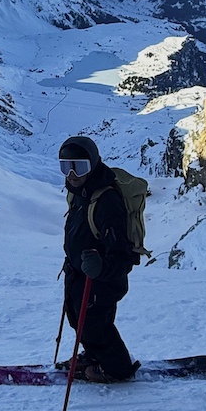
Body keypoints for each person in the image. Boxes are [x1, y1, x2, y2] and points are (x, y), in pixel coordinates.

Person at [59, 135, 137, 382]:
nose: (71, 173)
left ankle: (118, 369)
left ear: (93, 164)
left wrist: (100, 266)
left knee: (96, 327)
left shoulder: (107, 201)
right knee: (79, 322)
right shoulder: (80, 193)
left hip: (100, 280)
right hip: (79, 275)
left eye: (79, 166)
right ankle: (94, 356)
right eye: (66, 166)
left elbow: (123, 257)